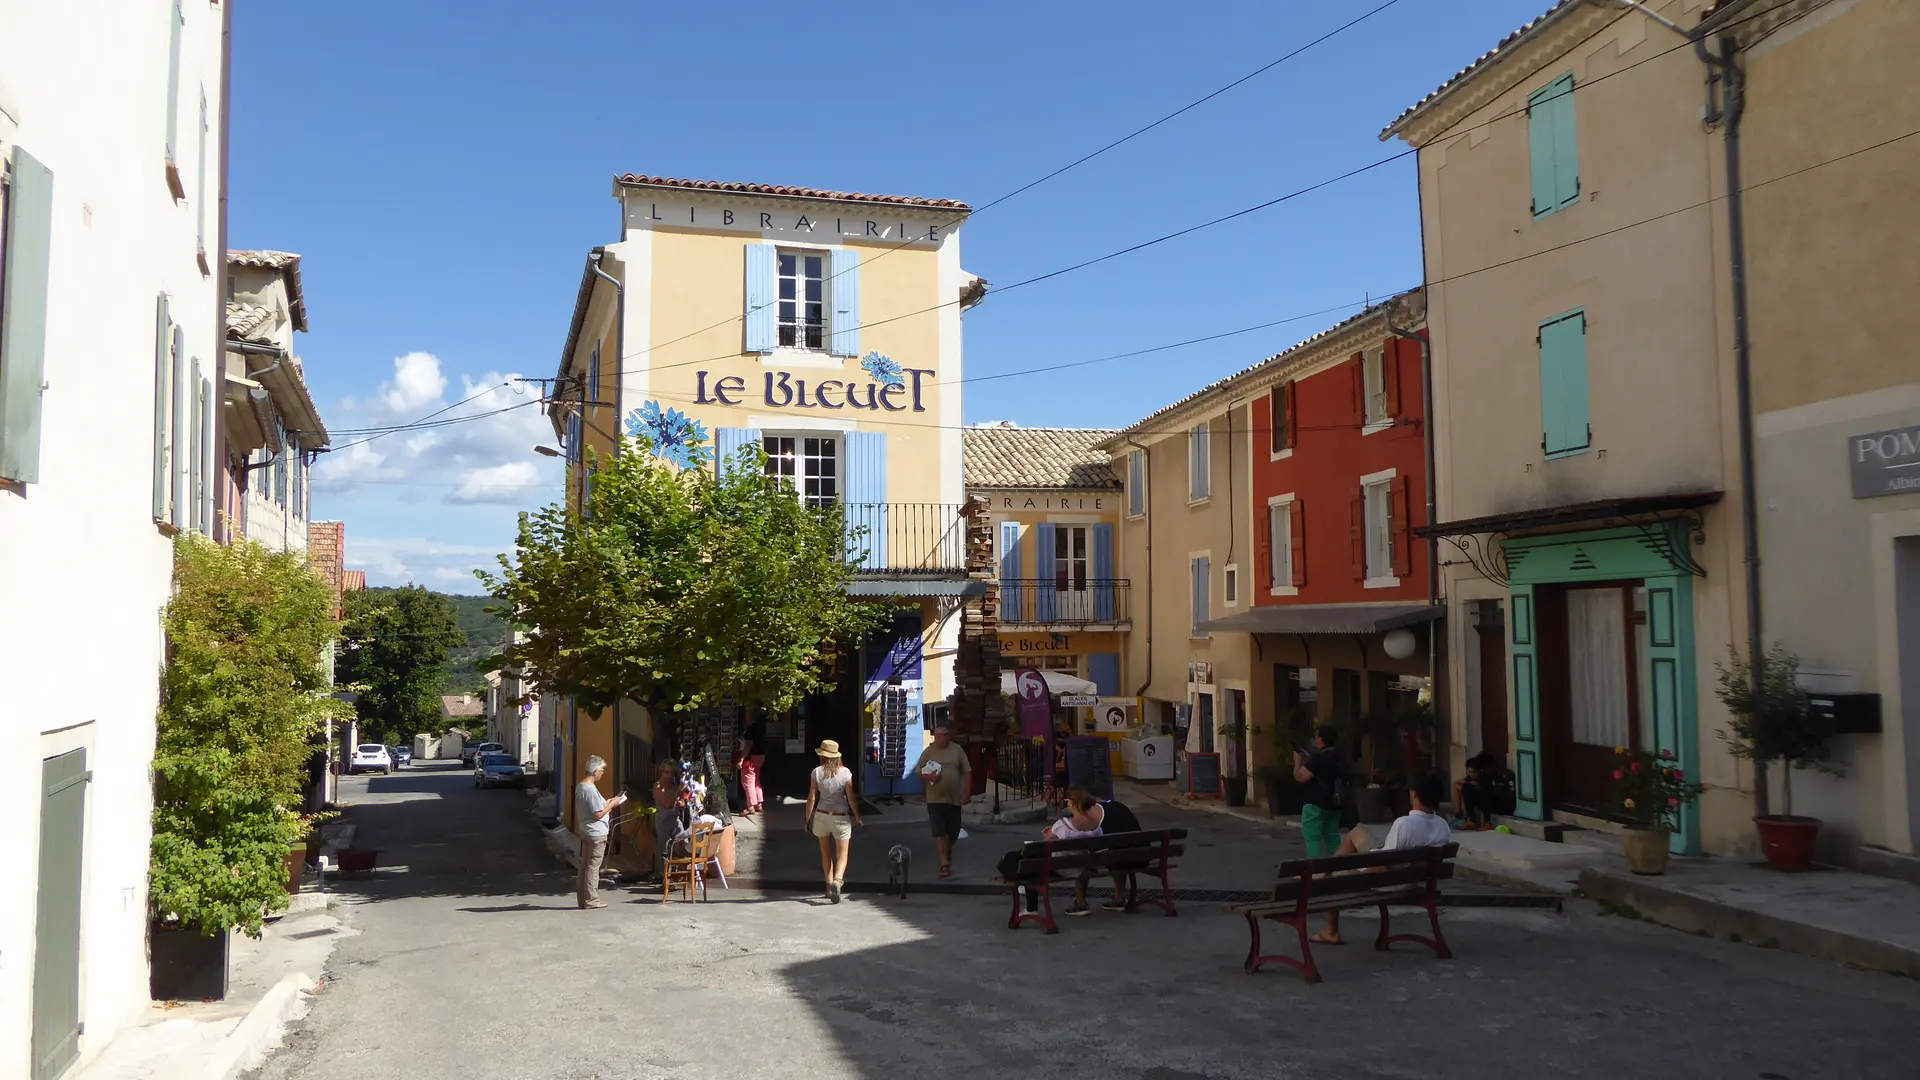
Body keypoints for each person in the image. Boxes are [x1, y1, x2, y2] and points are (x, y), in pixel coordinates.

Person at [1313, 770, 1453, 944]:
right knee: (1356, 833)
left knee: (1331, 878)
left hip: (1390, 881)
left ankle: (1331, 931)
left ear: (1414, 794)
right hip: (1414, 877)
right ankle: (1327, 867)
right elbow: (1388, 858)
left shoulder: (1405, 824)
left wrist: (1357, 872)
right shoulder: (1442, 825)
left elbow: (1383, 866)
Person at [804, 740, 862, 903]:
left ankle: (828, 887)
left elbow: (811, 799)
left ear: (822, 755)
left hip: (822, 815)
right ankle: (838, 880)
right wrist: (857, 816)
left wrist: (807, 819)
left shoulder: (816, 772)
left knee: (825, 853)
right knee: (842, 854)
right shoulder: (846, 773)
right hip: (841, 816)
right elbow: (851, 798)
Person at [912, 725, 971, 878]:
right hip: (935, 799)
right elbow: (918, 772)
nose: (937, 738)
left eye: (941, 736)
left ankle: (946, 849)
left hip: (954, 799)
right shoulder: (929, 752)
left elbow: (967, 771)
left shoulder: (957, 750)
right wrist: (930, 777)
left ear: (948, 736)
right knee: (939, 832)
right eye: (935, 736)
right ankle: (944, 863)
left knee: (954, 831)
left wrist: (967, 792)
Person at [576, 756, 627, 910]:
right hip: (596, 832)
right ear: (596, 770)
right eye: (602, 770)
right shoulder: (590, 789)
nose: (602, 773)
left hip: (586, 830)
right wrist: (612, 804)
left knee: (585, 865)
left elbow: (594, 807)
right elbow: (597, 814)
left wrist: (607, 802)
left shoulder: (581, 786)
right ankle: (591, 900)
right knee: (593, 867)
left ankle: (583, 899)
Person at [1293, 724, 1347, 865]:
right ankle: (1340, 867)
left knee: (1312, 838)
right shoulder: (1340, 757)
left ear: (1321, 740)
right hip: (1335, 804)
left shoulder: (1318, 759)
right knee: (1332, 837)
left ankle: (1316, 870)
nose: (1315, 739)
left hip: (1315, 804)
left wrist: (1297, 762)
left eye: (1317, 736)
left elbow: (1300, 777)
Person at [650, 761, 682, 882]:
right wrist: (678, 791)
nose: (669, 775)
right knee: (663, 849)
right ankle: (663, 877)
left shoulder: (673, 784)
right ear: (661, 772)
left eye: (672, 772)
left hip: (675, 819)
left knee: (680, 844)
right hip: (663, 820)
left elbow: (675, 802)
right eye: (666, 772)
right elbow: (667, 803)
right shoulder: (658, 786)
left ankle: (675, 875)